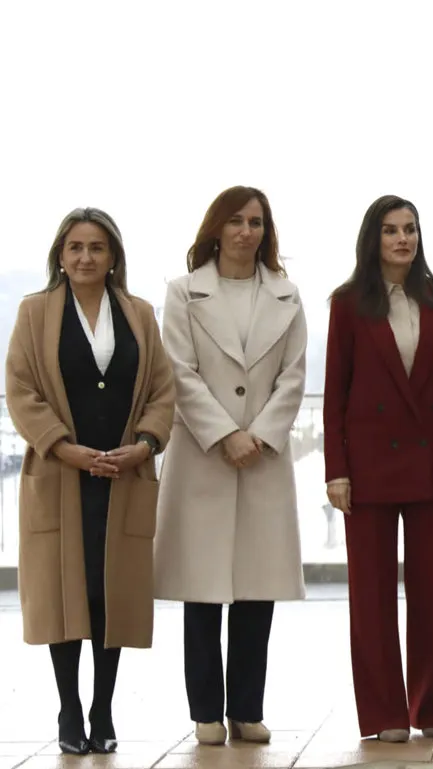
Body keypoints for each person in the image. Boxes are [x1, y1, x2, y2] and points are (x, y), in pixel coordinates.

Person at [5, 207, 175, 755]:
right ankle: (69, 709)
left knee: (110, 597)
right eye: (75, 247)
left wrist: (144, 445)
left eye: (96, 248)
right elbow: (21, 389)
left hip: (123, 476)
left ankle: (102, 706)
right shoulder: (35, 314)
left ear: (113, 256)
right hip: (59, 475)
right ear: (61, 255)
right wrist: (63, 446)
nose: (85, 257)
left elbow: (162, 391)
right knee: (64, 596)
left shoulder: (140, 315)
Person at [153, 186, 308, 746]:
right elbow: (179, 371)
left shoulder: (287, 296)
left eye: (257, 222)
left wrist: (259, 435)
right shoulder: (182, 293)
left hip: (262, 461)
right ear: (216, 228)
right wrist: (224, 434)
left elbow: (293, 378)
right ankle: (205, 713)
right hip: (203, 457)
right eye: (237, 221)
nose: (247, 231)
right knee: (203, 589)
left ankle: (247, 709)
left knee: (255, 590)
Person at [323, 195, 433, 743]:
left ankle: (431, 703)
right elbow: (334, 393)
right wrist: (335, 471)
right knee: (371, 597)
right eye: (391, 231)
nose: (402, 239)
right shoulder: (347, 303)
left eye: (410, 229)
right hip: (366, 469)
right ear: (374, 239)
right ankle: (385, 712)